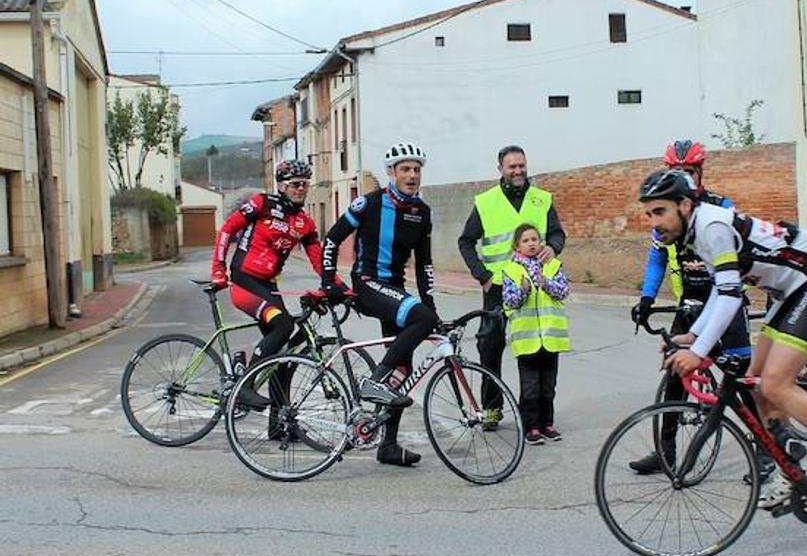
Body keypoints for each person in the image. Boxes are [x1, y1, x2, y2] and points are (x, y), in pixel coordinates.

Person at [638, 168, 807, 510]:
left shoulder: (712, 227)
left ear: (684, 205)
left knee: (776, 384)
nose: (653, 222)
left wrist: (699, 350)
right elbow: (719, 294)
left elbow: (733, 296)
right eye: (648, 214)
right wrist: (693, 336)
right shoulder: (695, 234)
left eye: (659, 211)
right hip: (790, 293)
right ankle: (789, 461)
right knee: (755, 381)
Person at [628, 139, 752, 475]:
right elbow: (656, 257)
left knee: (738, 377)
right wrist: (647, 298)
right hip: (691, 300)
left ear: (700, 171)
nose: (685, 176)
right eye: (678, 171)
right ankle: (665, 452)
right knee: (674, 374)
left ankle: (765, 453)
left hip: (722, 296)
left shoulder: (717, 207)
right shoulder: (667, 211)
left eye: (689, 171)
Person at [320, 141, 437, 468]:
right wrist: (328, 280)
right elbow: (331, 239)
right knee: (419, 321)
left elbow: (424, 265)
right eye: (405, 169)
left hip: (395, 288)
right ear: (391, 173)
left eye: (416, 169)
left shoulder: (422, 212)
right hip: (369, 283)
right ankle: (374, 381)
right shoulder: (368, 204)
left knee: (403, 367)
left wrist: (431, 305)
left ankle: (387, 444)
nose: (412, 175)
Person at [210, 158, 326, 431]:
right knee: (283, 325)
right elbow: (227, 229)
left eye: (305, 185)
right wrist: (218, 270)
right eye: (296, 185)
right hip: (244, 281)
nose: (301, 189)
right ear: (282, 186)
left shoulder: (304, 222)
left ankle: (279, 424)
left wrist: (335, 285)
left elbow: (318, 258)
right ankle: (246, 386)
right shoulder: (262, 204)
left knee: (284, 355)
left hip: (269, 285)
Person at [457, 145, 566, 430]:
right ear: (501, 169)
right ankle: (492, 409)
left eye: (521, 165)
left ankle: (532, 416)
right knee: (490, 347)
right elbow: (466, 241)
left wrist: (553, 248)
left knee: (533, 350)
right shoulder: (486, 202)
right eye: (511, 167)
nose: (517, 171)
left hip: (535, 290)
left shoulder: (542, 199)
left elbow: (557, 233)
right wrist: (481, 274)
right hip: (496, 287)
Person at [501, 223, 571, 445]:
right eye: (526, 240)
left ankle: (547, 423)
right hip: (527, 339)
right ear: (517, 245)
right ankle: (530, 426)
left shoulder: (552, 265)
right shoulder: (511, 269)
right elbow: (509, 301)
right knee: (530, 387)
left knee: (548, 386)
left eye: (535, 239)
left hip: (550, 338)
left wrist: (546, 283)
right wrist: (523, 290)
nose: (532, 244)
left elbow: (563, 291)